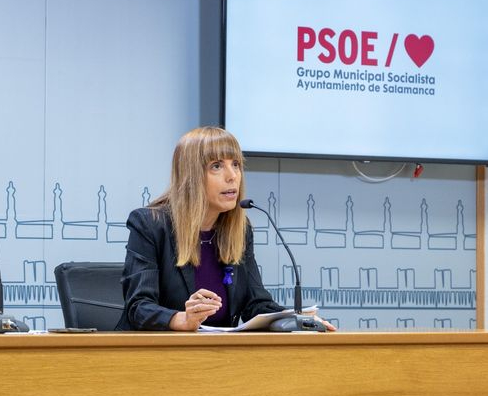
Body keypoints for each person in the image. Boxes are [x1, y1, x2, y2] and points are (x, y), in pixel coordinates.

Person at [116, 126, 336, 332]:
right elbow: (138, 307)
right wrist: (182, 318)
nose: (232, 176)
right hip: (150, 356)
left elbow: (256, 304)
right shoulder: (150, 224)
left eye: (236, 164)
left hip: (216, 356)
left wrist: (300, 321)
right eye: (217, 166)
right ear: (191, 176)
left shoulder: (239, 230)